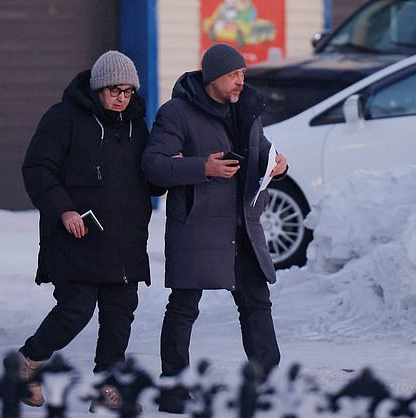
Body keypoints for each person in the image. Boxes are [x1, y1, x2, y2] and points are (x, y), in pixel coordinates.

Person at [142, 43, 288, 413]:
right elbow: (154, 166)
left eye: (243, 74)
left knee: (256, 302)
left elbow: (262, 149)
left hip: (242, 225)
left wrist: (277, 164)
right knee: (184, 306)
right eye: (234, 75)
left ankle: (267, 382)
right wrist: (201, 168)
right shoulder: (176, 113)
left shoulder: (248, 109)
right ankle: (172, 390)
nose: (242, 81)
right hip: (198, 224)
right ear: (213, 77)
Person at [18, 50, 160, 411]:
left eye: (128, 91)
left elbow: (147, 180)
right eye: (115, 90)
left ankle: (107, 387)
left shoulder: (135, 125)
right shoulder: (63, 118)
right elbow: (37, 168)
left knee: (119, 316)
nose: (122, 98)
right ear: (98, 87)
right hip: (77, 238)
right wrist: (64, 209)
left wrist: (165, 171)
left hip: (125, 240)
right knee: (75, 311)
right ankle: (28, 365)